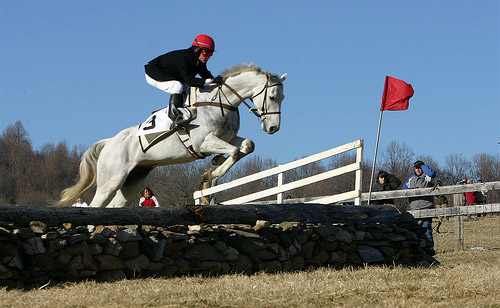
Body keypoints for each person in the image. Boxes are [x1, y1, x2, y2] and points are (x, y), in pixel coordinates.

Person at [144, 34, 222, 129]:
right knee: (177, 86)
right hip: (154, 74)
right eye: (206, 53)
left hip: (172, 75)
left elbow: (205, 75)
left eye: (210, 54)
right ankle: (174, 115)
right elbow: (190, 80)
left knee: (187, 88)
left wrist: (216, 81)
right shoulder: (185, 59)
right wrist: (210, 81)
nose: (208, 57)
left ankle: (186, 110)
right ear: (196, 49)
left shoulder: (199, 62)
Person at [403, 160, 436, 243]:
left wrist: (422, 166)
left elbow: (432, 173)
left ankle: (430, 249)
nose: (418, 170)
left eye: (419, 168)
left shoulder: (427, 177)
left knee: (427, 230)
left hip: (426, 207)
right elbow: (404, 190)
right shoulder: (411, 179)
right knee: (416, 230)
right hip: (414, 208)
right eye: (416, 168)